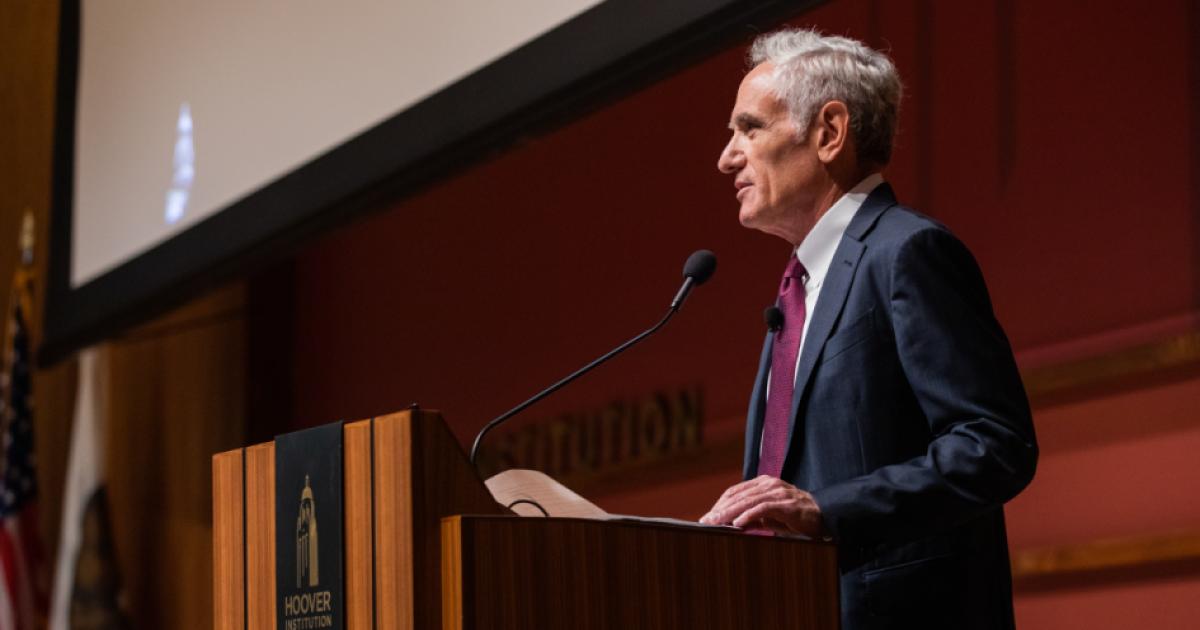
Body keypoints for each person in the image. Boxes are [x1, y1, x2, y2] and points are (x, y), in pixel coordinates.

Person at [699, 28, 1038, 629]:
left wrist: (827, 510)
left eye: (749, 128)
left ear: (829, 132)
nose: (727, 156)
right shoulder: (798, 287)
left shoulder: (906, 252)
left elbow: (994, 445)